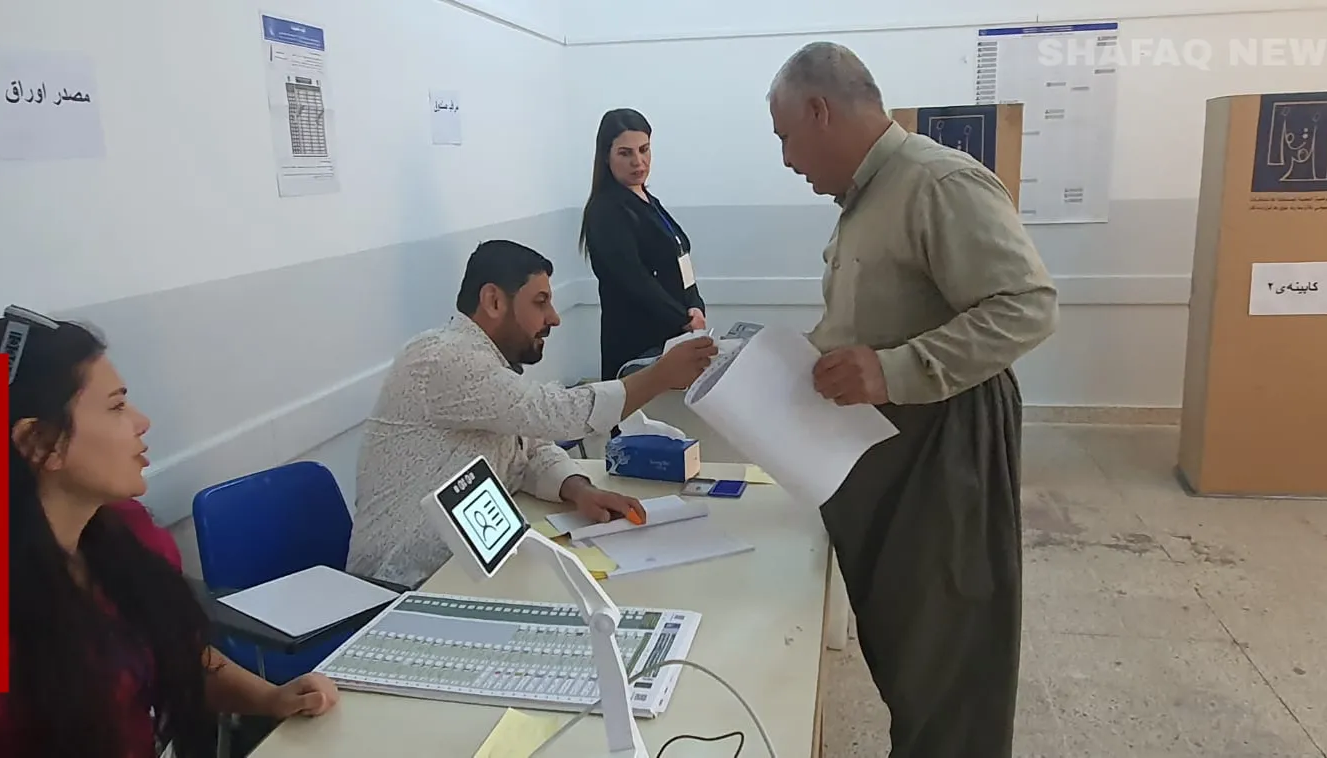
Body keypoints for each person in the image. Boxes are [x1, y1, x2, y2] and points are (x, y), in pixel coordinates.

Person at [766, 43, 1058, 757]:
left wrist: (895, 370)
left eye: (784, 137)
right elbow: (874, 324)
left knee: (948, 663)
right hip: (887, 449)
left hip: (943, 448)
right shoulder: (867, 198)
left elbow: (1026, 305)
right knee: (907, 648)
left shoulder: (936, 181)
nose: (785, 159)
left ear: (818, 111)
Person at [0, 307, 340, 758]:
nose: (142, 422)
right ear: (38, 442)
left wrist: (269, 698)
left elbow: (177, 655)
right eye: (117, 406)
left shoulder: (127, 531)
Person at [347, 240, 717, 588]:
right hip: (401, 586)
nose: (554, 318)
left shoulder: (487, 364)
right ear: (493, 301)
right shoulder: (442, 358)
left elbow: (529, 449)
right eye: (540, 302)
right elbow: (556, 414)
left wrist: (579, 489)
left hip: (466, 569)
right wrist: (660, 375)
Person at [579, 108, 708, 380]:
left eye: (644, 150)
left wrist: (696, 306)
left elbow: (680, 261)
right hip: (636, 341)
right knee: (637, 419)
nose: (638, 161)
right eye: (625, 153)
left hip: (673, 333)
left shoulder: (649, 202)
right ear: (606, 156)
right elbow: (635, 280)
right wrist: (684, 319)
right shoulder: (606, 210)